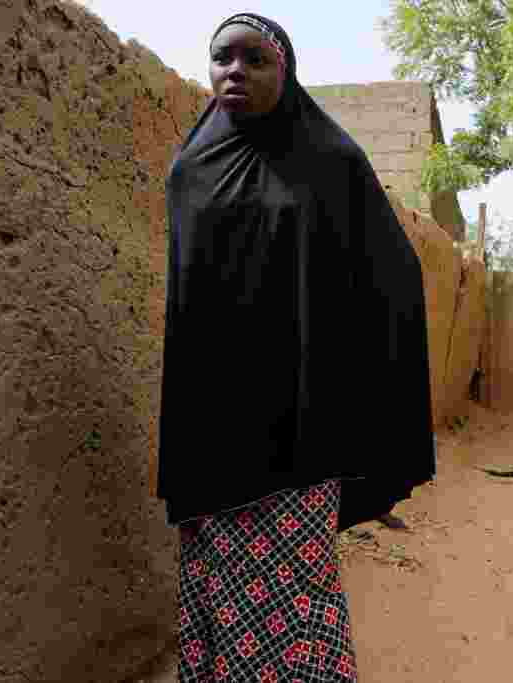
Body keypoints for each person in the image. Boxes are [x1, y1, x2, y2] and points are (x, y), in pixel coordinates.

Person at [157, 14, 434, 681]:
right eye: (222, 58)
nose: (234, 72)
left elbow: (393, 273)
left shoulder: (330, 162)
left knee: (296, 591)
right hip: (213, 427)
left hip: (301, 428)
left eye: (254, 59)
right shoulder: (191, 169)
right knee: (215, 585)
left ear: (286, 69)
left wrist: (355, 386)